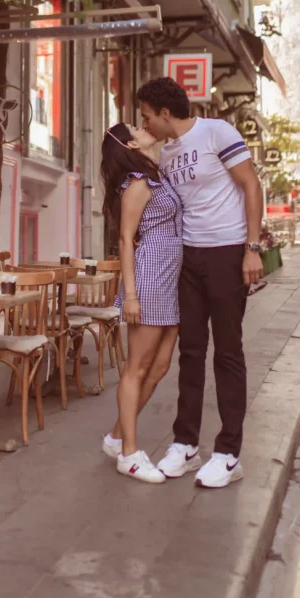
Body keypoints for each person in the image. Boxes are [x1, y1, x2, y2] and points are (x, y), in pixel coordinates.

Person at [137, 77, 264, 489]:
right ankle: (186, 444)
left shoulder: (217, 132)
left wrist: (252, 247)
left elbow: (251, 185)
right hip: (189, 259)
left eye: (146, 116)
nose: (145, 123)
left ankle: (228, 454)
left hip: (227, 252)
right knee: (190, 352)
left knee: (227, 352)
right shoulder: (168, 151)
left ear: (165, 113)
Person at [99, 122, 183, 484]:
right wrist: (129, 295)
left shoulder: (156, 173)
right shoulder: (136, 182)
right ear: (130, 143)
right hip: (149, 279)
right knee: (136, 367)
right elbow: (124, 239)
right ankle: (129, 454)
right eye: (136, 126)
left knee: (161, 365)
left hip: (171, 279)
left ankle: (116, 436)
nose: (143, 125)